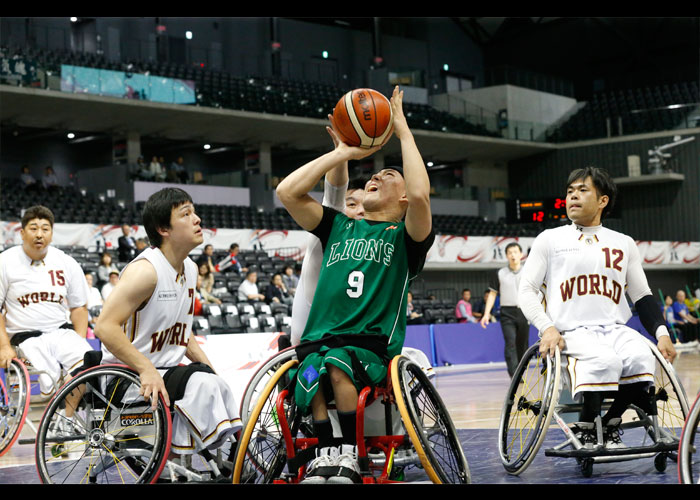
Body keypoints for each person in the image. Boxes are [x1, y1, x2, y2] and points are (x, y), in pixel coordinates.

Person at [276, 85, 434, 484]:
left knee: (336, 364)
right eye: (376, 174)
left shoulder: (406, 238)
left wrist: (402, 131)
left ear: (401, 202)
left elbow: (419, 193)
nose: (378, 174)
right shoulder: (339, 226)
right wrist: (344, 152)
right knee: (309, 372)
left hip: (369, 342)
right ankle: (324, 453)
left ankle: (350, 452)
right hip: (321, 337)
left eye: (390, 174)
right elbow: (287, 192)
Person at [518, 166, 676, 449]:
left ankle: (610, 422)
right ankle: (588, 424)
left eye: (582, 190)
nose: (573, 197)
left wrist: (662, 333)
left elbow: (642, 295)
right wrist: (547, 328)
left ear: (603, 200)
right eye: (570, 191)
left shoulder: (624, 243)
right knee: (605, 360)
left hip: (614, 328)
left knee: (641, 355)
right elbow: (526, 290)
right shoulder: (550, 239)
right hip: (570, 331)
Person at [94, 187, 241, 467]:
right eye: (186, 214)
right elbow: (104, 327)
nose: (197, 219)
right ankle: (171, 460)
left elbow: (182, 332)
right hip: (127, 377)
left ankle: (218, 460)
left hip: (166, 372)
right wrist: (145, 367)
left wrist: (208, 365)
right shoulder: (146, 271)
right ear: (164, 228)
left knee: (215, 381)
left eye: (194, 211)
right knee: (203, 385)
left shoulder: (192, 268)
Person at [0, 205, 92, 429]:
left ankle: (65, 419)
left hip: (61, 332)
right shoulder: (5, 261)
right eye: (33, 228)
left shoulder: (67, 262)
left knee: (89, 363)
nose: (39, 234)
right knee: (49, 382)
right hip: (24, 337)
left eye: (45, 228)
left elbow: (79, 307)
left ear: (52, 232)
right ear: (22, 233)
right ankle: (56, 414)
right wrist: (4, 346)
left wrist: (79, 339)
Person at [480, 242, 531, 378]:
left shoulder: (529, 271)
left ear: (521, 254)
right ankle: (513, 374)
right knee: (510, 343)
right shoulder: (500, 273)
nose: (513, 255)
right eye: (510, 253)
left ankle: (521, 371)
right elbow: (492, 294)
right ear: (507, 256)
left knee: (522, 345)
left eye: (515, 252)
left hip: (524, 312)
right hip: (507, 313)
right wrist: (486, 314)